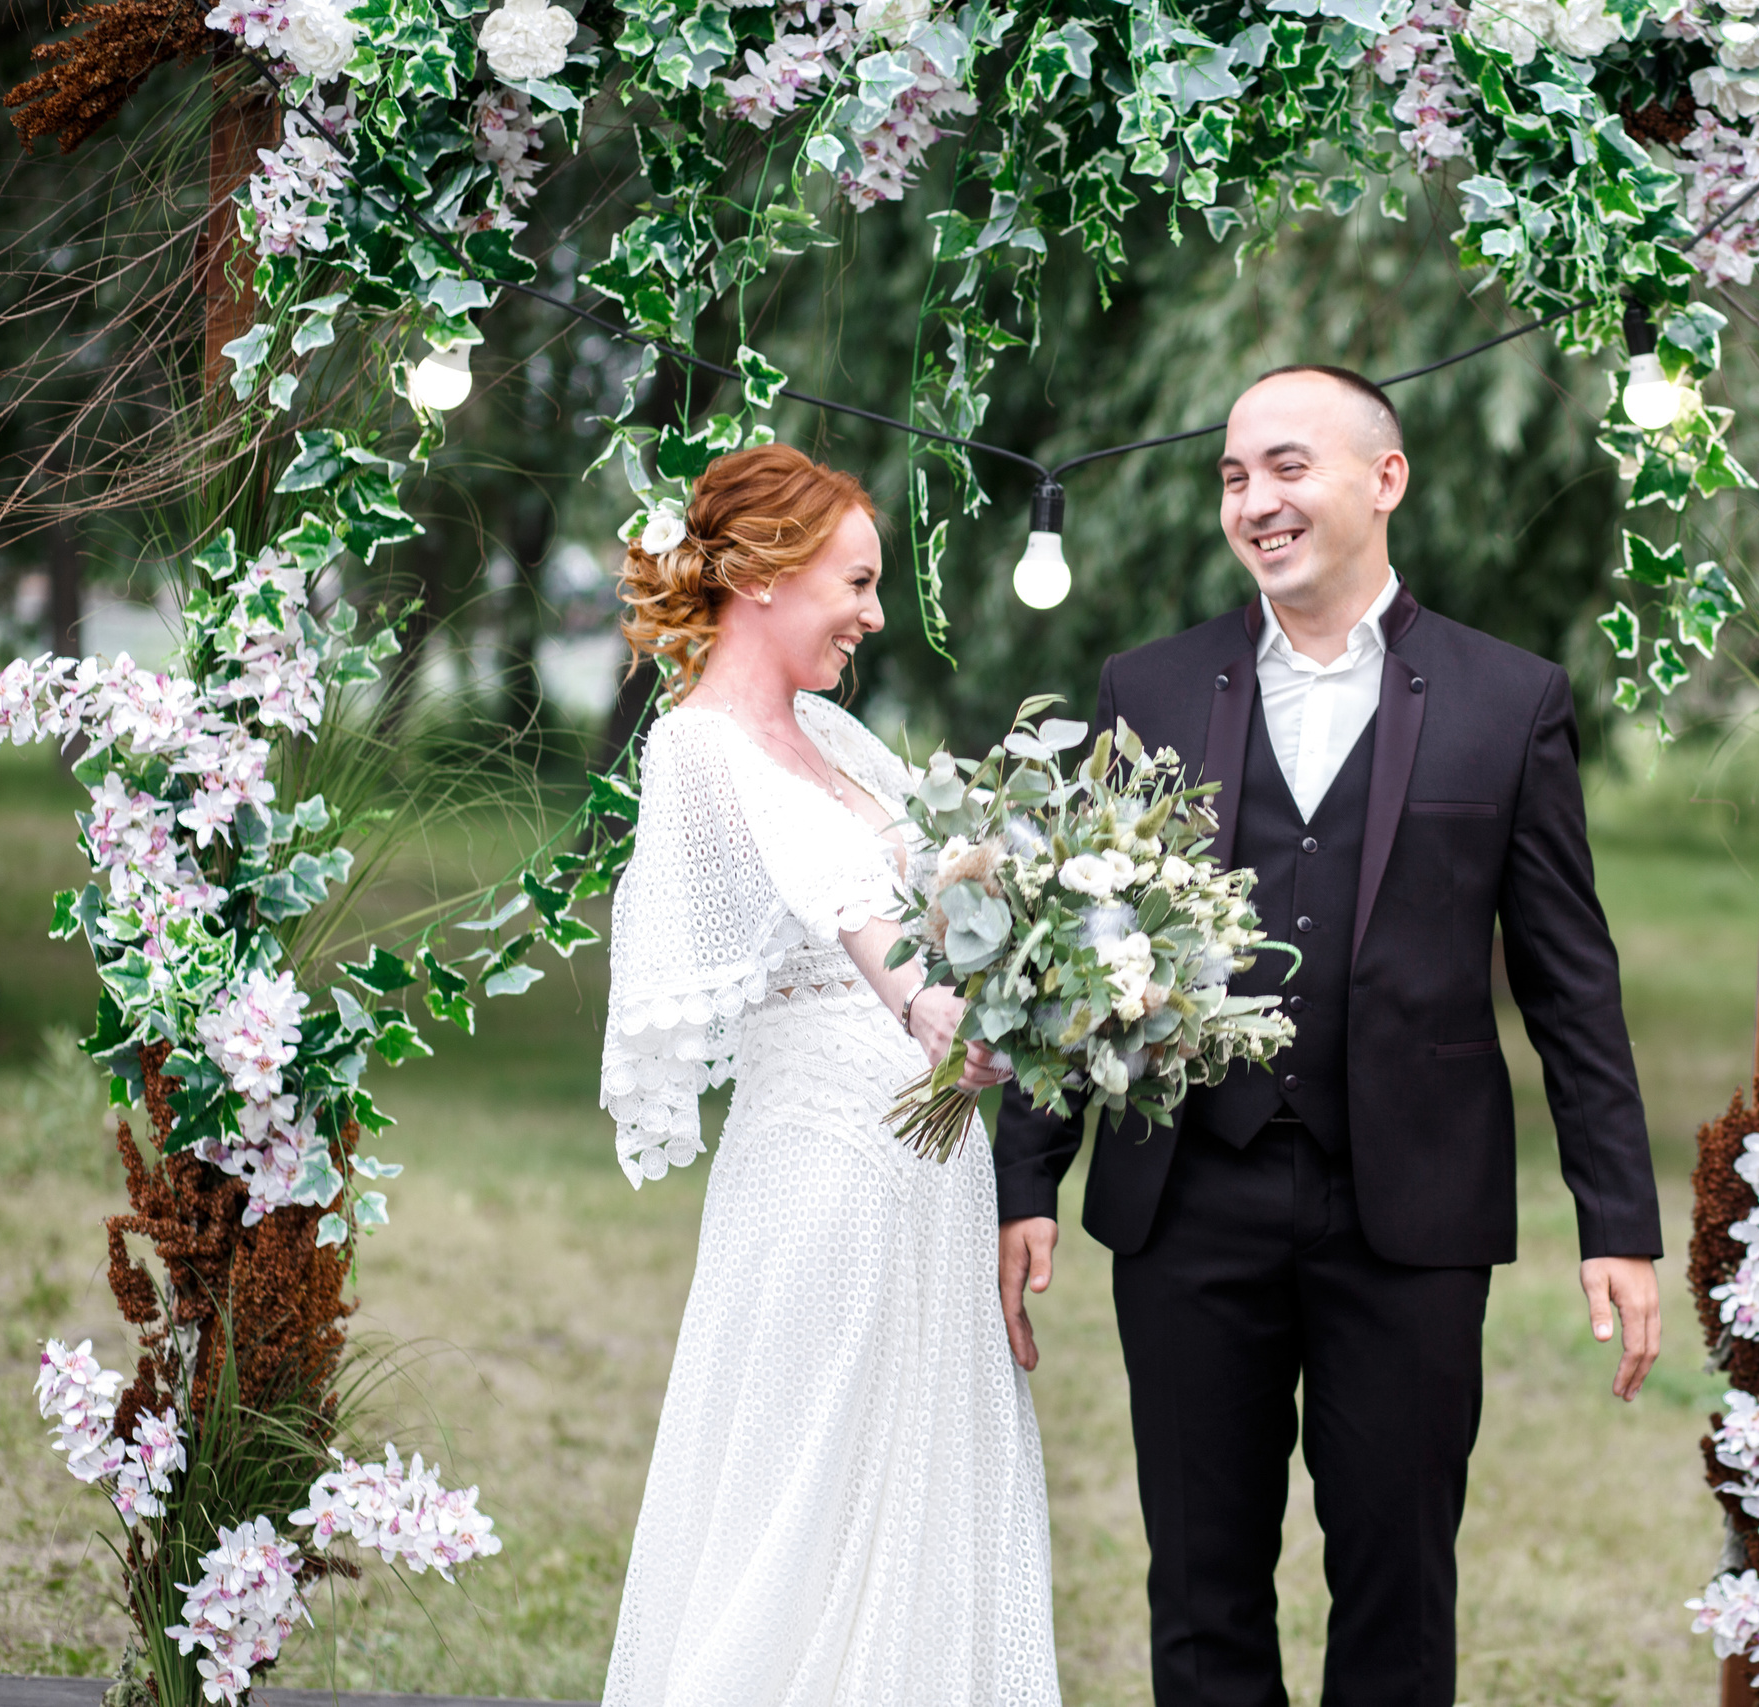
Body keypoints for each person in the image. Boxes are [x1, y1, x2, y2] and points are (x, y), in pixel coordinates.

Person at [992, 367, 1664, 1707]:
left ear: (1384, 478)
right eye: (1235, 476)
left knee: (1398, 1597)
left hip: (1409, 1211)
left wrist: (1619, 1220)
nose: (1256, 500)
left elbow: (1569, 981)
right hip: (1189, 1199)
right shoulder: (1148, 687)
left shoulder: (1508, 698)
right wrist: (1026, 1177)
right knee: (1200, 1595)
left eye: (1288, 467)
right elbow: (1080, 939)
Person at [598, 444, 1057, 1706]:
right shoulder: (696, 749)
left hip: (932, 1166)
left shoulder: (834, 734)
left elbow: (938, 891)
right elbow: (844, 900)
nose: (874, 614)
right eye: (856, 583)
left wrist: (1051, 937)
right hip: (822, 1174)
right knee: (801, 1483)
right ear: (762, 575)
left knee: (924, 1471)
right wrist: (927, 1006)